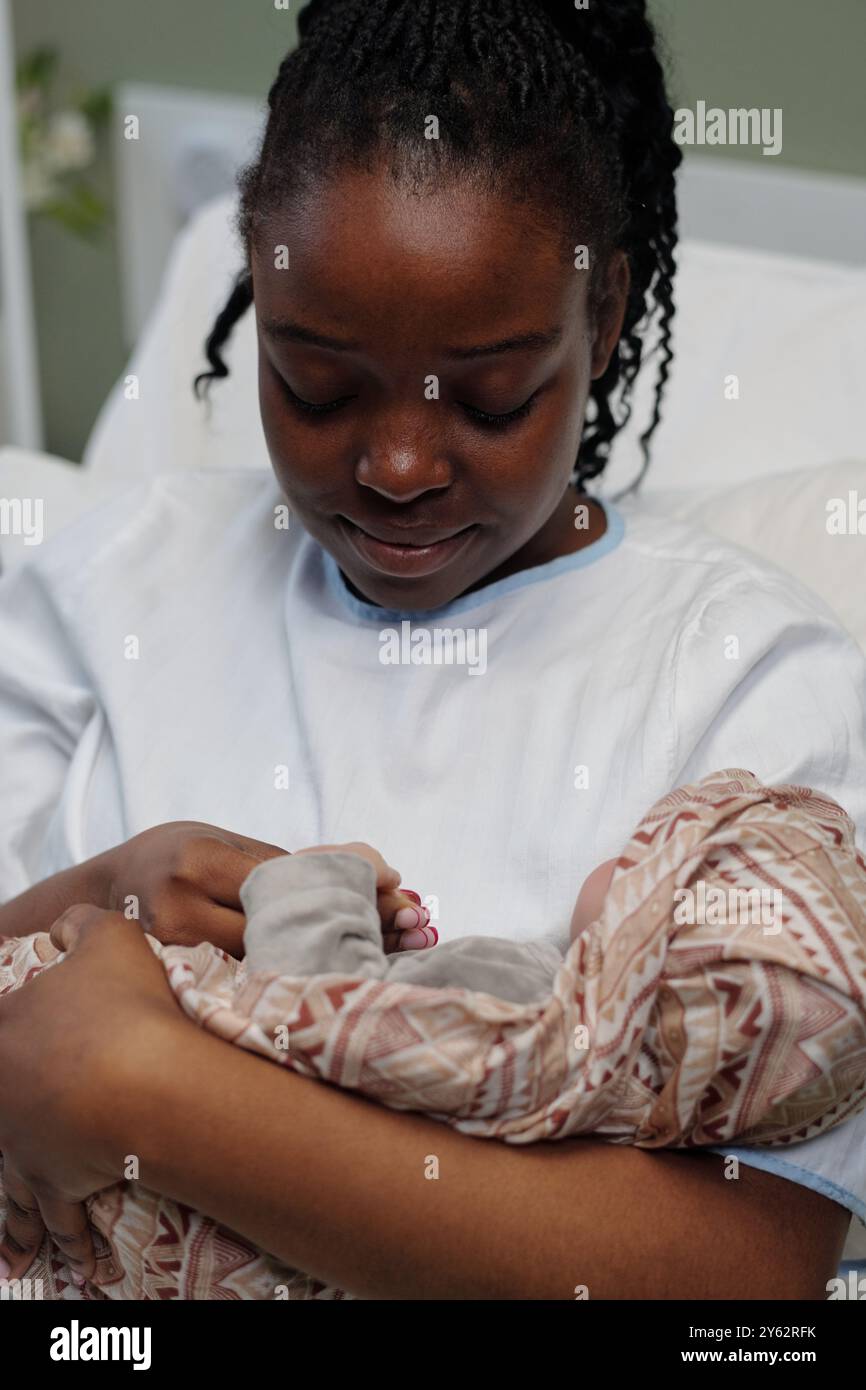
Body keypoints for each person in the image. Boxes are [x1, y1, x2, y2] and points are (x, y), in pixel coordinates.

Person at [1, 0, 864, 1299]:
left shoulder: (741, 678)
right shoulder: (111, 583)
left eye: (490, 395)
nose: (397, 467)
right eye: (318, 382)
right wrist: (84, 894)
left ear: (605, 311)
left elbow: (745, 1271)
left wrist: (151, 1093)